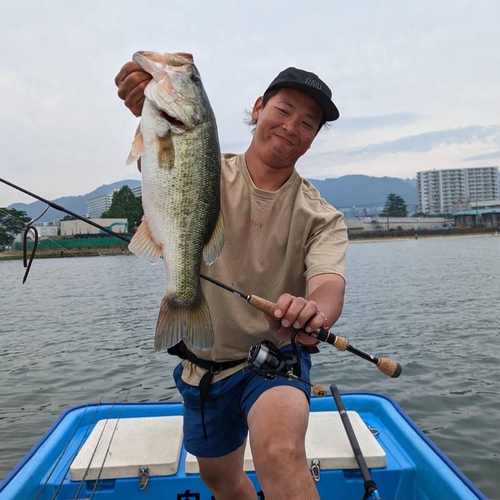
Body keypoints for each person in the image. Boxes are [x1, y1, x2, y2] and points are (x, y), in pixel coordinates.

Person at [115, 59, 348, 500]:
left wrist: (314, 310)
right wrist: (143, 104)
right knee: (219, 479)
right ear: (258, 108)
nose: (292, 125)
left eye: (308, 122)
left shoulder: (323, 216)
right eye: (284, 109)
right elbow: (162, 153)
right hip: (203, 366)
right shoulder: (206, 167)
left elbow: (328, 285)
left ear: (313, 138)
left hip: (275, 359)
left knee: (280, 453)